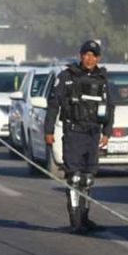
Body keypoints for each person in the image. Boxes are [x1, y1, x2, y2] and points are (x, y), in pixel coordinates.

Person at [44, 40, 115, 234]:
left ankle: (85, 218)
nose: (89, 58)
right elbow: (53, 104)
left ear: (98, 58)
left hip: (93, 134)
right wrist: (48, 131)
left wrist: (107, 132)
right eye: (86, 54)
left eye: (93, 55)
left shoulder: (102, 79)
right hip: (74, 133)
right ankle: (75, 222)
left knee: (88, 178)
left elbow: (110, 107)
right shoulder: (67, 76)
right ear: (80, 55)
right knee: (74, 177)